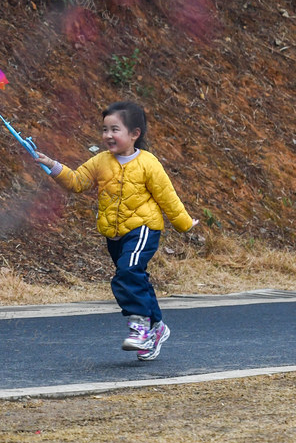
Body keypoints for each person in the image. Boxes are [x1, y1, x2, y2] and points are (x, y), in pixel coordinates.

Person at [33, 101, 199, 361]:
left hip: (144, 228)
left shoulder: (148, 163)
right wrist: (52, 165)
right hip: (114, 234)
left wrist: (184, 223)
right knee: (136, 277)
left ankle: (139, 326)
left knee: (128, 271)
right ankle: (157, 328)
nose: (108, 135)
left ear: (135, 134)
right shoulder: (101, 161)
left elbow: (168, 197)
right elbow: (77, 182)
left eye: (115, 130)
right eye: (105, 130)